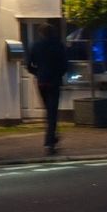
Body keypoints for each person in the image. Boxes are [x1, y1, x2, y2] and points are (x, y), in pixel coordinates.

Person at [27, 23, 68, 155]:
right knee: (52, 112)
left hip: (42, 82)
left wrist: (37, 73)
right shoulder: (58, 45)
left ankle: (52, 138)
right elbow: (64, 65)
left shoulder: (35, 45)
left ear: (41, 33)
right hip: (54, 81)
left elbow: (28, 65)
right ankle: (49, 142)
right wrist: (58, 74)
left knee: (48, 111)